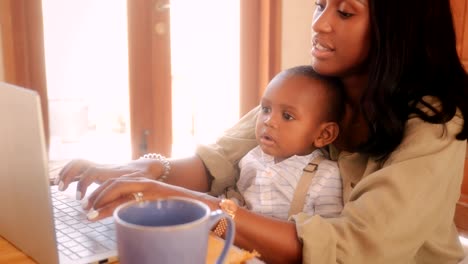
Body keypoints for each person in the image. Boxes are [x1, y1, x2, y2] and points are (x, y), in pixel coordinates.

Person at [56, 0, 468, 263]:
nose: (320, 24)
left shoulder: (434, 126)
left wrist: (188, 204)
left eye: (344, 12)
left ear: (397, 31)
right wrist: (140, 174)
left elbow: (350, 249)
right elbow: (219, 161)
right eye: (320, 4)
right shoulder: (318, 87)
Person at [233, 65, 344, 220]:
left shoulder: (325, 176)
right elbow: (242, 200)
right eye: (265, 109)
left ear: (323, 135)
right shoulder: (250, 158)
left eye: (287, 116)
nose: (269, 121)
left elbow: (328, 235)